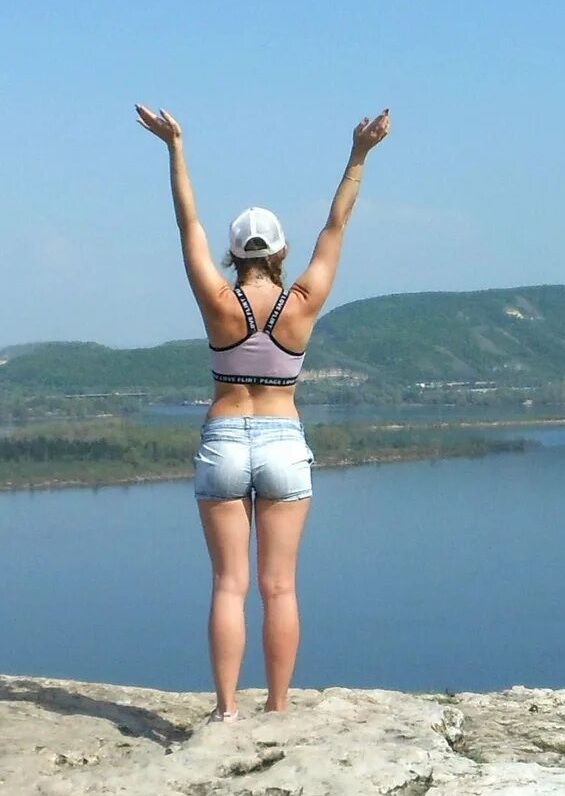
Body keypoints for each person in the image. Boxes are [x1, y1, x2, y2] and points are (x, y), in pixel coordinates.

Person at [132, 102, 392, 719]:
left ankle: (225, 711)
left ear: (233, 254)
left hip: (224, 438)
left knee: (229, 585)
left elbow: (186, 224)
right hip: (283, 441)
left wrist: (175, 147)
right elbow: (337, 227)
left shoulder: (218, 301)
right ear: (279, 252)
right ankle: (276, 709)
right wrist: (359, 155)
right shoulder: (301, 302)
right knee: (280, 588)